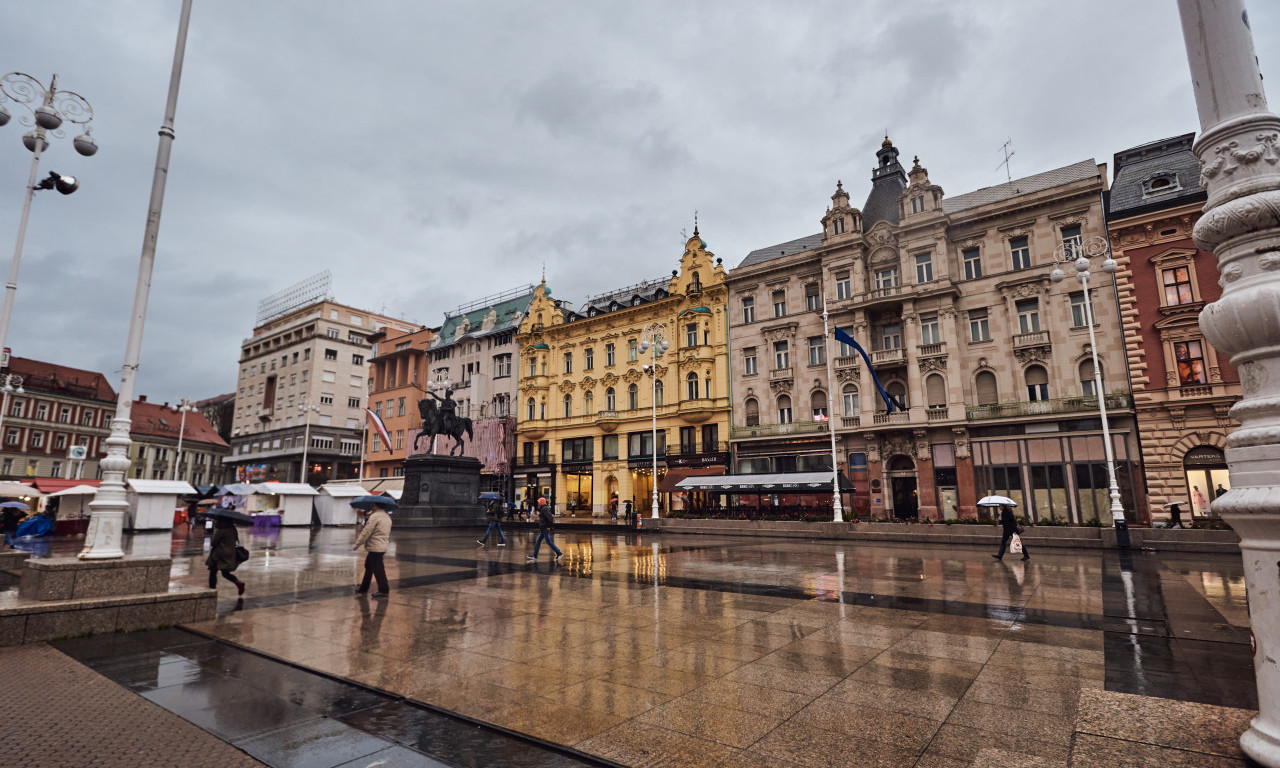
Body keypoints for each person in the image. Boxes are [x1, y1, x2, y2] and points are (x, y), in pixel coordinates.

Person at [353, 503, 392, 597]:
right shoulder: (387, 516)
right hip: (381, 545)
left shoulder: (374, 516)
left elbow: (366, 532)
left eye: (373, 505)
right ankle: (363, 588)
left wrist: (357, 544)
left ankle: (384, 590)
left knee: (378, 570)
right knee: (369, 568)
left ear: (376, 506)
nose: (372, 507)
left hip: (375, 547)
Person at [205, 517, 246, 595]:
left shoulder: (221, 530)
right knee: (225, 572)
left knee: (213, 571)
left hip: (219, 555)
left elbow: (213, 542)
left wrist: (215, 532)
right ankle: (238, 582)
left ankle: (212, 589)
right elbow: (236, 541)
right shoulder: (233, 529)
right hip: (229, 553)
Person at [527, 497, 563, 563]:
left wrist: (549, 526)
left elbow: (549, 518)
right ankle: (534, 555)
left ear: (541, 502)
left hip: (545, 528)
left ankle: (559, 553)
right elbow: (544, 517)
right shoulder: (544, 508)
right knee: (538, 541)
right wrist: (540, 514)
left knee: (548, 541)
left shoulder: (545, 509)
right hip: (543, 528)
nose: (538, 503)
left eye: (539, 502)